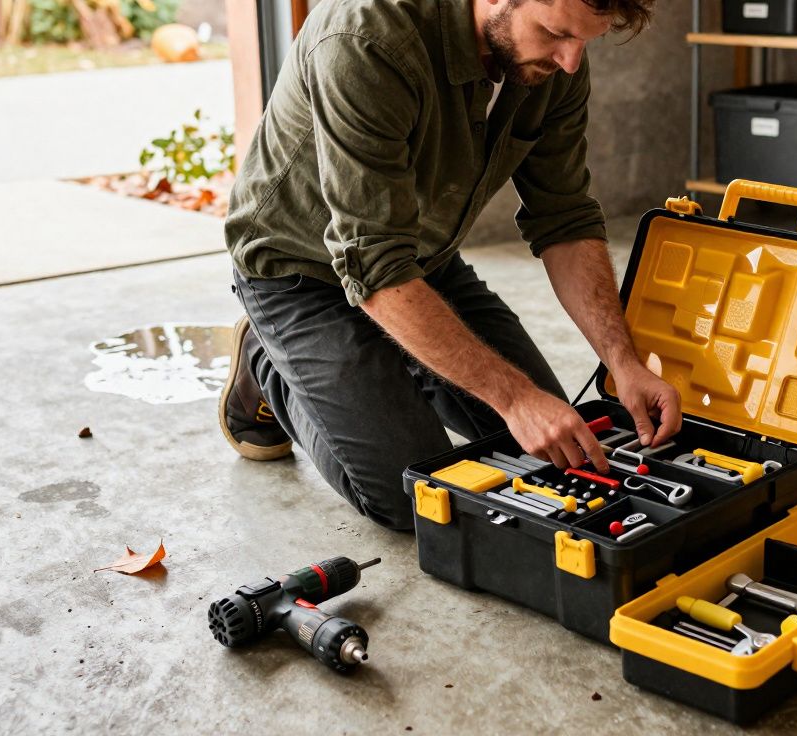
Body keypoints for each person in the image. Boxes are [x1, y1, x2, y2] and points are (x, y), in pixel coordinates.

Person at [219, 0, 679, 531]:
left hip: (421, 262)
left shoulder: (557, 60)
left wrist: (622, 363)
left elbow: (565, 219)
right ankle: (267, 357)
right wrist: (513, 396)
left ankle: (405, 348)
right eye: (556, 34)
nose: (572, 61)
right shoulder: (364, 38)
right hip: (300, 272)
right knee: (409, 493)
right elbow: (373, 261)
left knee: (556, 453)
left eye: (585, 41)